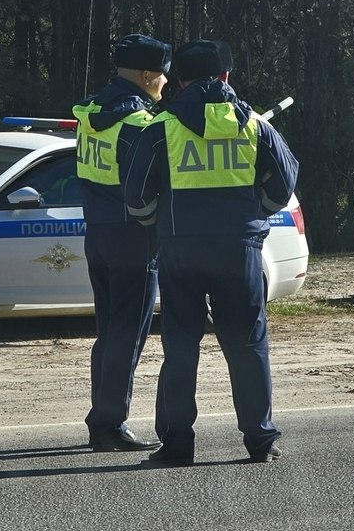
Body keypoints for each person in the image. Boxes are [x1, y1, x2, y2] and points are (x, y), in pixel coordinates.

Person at [123, 39, 299, 466]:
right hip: (239, 248)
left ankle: (178, 445)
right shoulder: (255, 124)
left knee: (181, 347)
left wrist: (161, 225)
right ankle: (261, 441)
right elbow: (284, 185)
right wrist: (253, 215)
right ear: (225, 76)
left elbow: (135, 197)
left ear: (180, 80)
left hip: (180, 249)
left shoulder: (161, 126)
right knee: (248, 344)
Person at [73, 33, 170, 452]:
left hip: (98, 233)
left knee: (109, 333)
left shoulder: (92, 110)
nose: (166, 82)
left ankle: (103, 418)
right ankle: (108, 424)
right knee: (127, 336)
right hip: (133, 239)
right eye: (162, 75)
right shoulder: (138, 124)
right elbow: (145, 189)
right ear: (147, 75)